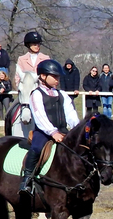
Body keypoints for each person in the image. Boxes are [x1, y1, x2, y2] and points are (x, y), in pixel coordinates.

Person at [22, 60, 79, 194]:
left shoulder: (62, 94)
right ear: (42, 76)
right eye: (54, 76)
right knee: (36, 149)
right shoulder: (36, 94)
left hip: (63, 131)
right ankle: (27, 180)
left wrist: (77, 129)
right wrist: (52, 132)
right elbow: (39, 115)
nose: (57, 79)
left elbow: (70, 113)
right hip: (44, 133)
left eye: (58, 76)